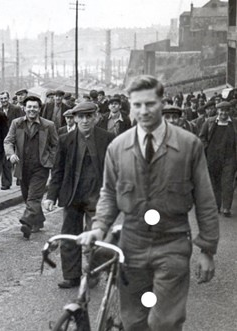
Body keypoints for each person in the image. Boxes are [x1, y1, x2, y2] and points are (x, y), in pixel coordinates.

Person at [77, 75, 219, 331]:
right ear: (130, 105)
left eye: (150, 103)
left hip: (173, 242)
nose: (144, 111)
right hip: (132, 246)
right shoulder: (118, 147)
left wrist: (207, 249)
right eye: (137, 104)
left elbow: (206, 200)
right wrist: (99, 227)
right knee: (134, 322)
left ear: (161, 103)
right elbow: (109, 193)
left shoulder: (188, 146)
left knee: (164, 322)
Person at [44, 102, 114, 288]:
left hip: (97, 197)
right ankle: (71, 276)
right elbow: (57, 170)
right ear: (74, 118)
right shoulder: (65, 139)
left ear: (96, 117)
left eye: (89, 116)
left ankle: (92, 272)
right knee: (69, 236)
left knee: (95, 237)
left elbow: (114, 169)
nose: (84, 120)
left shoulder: (107, 138)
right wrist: (51, 195)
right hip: (73, 196)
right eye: (80, 116)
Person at [4, 95, 58, 239]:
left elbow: (55, 145)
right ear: (24, 108)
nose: (32, 110)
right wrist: (11, 155)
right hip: (23, 166)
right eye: (29, 107)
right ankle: (38, 221)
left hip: (41, 167)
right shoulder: (17, 123)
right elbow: (8, 141)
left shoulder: (48, 125)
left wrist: (49, 160)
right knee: (27, 196)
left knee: (34, 197)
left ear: (39, 109)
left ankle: (26, 222)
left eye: (35, 107)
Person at [199, 101, 237, 217]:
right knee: (215, 182)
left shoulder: (234, 123)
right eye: (221, 110)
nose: (223, 113)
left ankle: (226, 207)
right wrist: (206, 148)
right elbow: (202, 137)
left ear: (229, 111)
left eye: (226, 110)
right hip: (213, 157)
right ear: (217, 110)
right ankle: (216, 205)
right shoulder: (209, 122)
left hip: (230, 158)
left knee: (227, 182)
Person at [0, 91, 24, 190]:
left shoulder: (16, 109)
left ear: (8, 98)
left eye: (5, 98)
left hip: (17, 136)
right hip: (5, 138)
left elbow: (22, 121)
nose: (4, 100)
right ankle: (6, 183)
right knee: (6, 160)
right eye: (2, 98)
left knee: (19, 157)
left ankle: (20, 179)